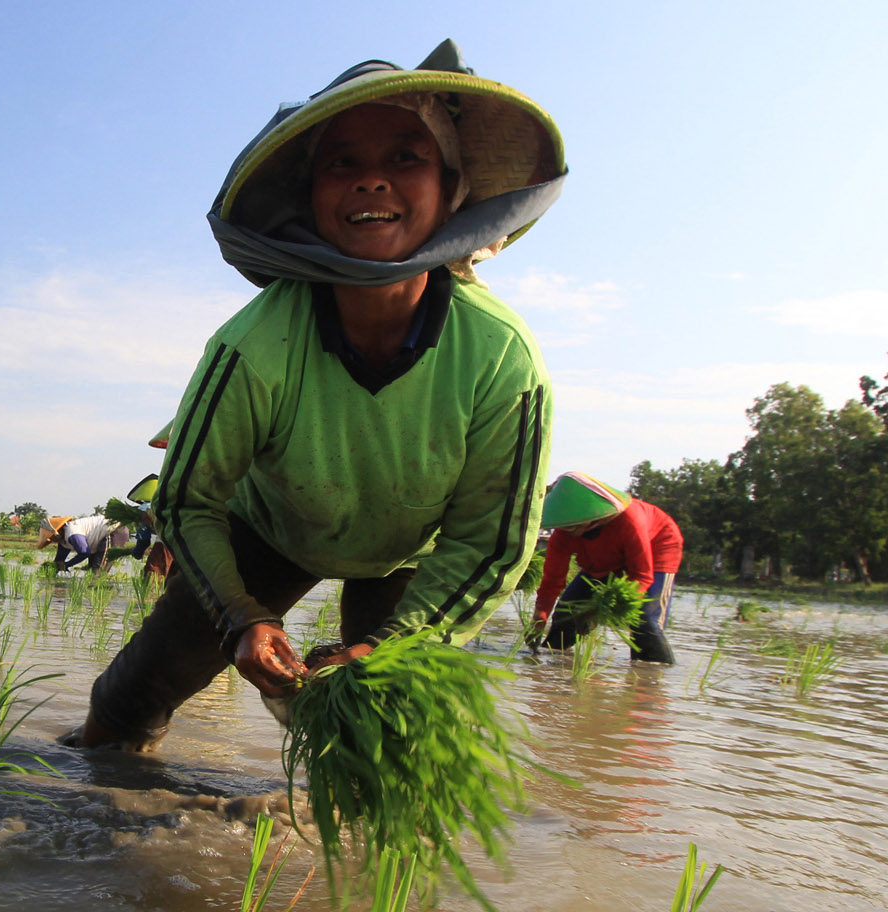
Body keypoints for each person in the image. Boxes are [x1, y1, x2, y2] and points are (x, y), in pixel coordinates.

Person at [63, 39, 566, 751]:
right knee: (130, 701)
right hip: (269, 532)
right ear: (309, 198)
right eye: (342, 165)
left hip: (410, 557)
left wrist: (385, 646)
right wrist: (241, 617)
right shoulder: (254, 344)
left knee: (384, 729)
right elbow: (186, 501)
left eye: (403, 159)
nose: (371, 182)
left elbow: (491, 540)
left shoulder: (499, 357)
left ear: (451, 190)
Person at [531, 472, 682, 664]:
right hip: (602, 558)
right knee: (567, 612)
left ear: (592, 517)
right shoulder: (563, 534)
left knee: (643, 620)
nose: (571, 532)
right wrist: (540, 615)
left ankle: (652, 675)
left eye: (576, 526)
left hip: (657, 547)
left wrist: (599, 609)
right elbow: (552, 581)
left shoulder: (630, 520)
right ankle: (554, 661)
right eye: (568, 527)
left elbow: (642, 576)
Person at [36, 515, 125, 572]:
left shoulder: (72, 532)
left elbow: (85, 552)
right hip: (100, 538)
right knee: (91, 570)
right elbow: (59, 562)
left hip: (114, 530)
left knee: (98, 570)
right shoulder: (63, 541)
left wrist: (67, 565)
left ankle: (100, 597)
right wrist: (51, 571)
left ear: (57, 532)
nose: (51, 540)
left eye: (51, 537)